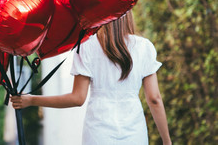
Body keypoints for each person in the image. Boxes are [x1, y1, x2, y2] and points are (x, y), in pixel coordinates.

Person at [10, 10, 172, 145]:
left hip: (98, 134)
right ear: (128, 15)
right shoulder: (144, 47)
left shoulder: (86, 46)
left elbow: (77, 98)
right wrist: (167, 141)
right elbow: (154, 99)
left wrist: (32, 100)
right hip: (134, 134)